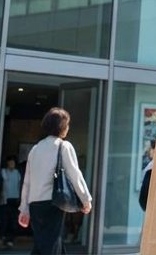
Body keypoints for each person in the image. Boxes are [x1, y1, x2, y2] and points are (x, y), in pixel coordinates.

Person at [18, 107, 92, 254]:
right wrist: (85, 199)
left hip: (35, 205)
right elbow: (75, 174)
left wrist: (24, 208)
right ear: (62, 127)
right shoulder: (64, 146)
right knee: (51, 243)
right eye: (67, 124)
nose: (68, 128)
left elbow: (27, 182)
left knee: (43, 243)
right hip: (53, 202)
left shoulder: (35, 149)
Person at [0, 157, 22, 248]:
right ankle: (1, 238)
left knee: (13, 220)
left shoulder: (17, 173)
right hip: (5, 199)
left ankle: (10, 239)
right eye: (10, 163)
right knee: (3, 220)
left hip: (14, 199)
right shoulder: (3, 172)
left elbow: (19, 185)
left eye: (13, 163)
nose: (12, 165)